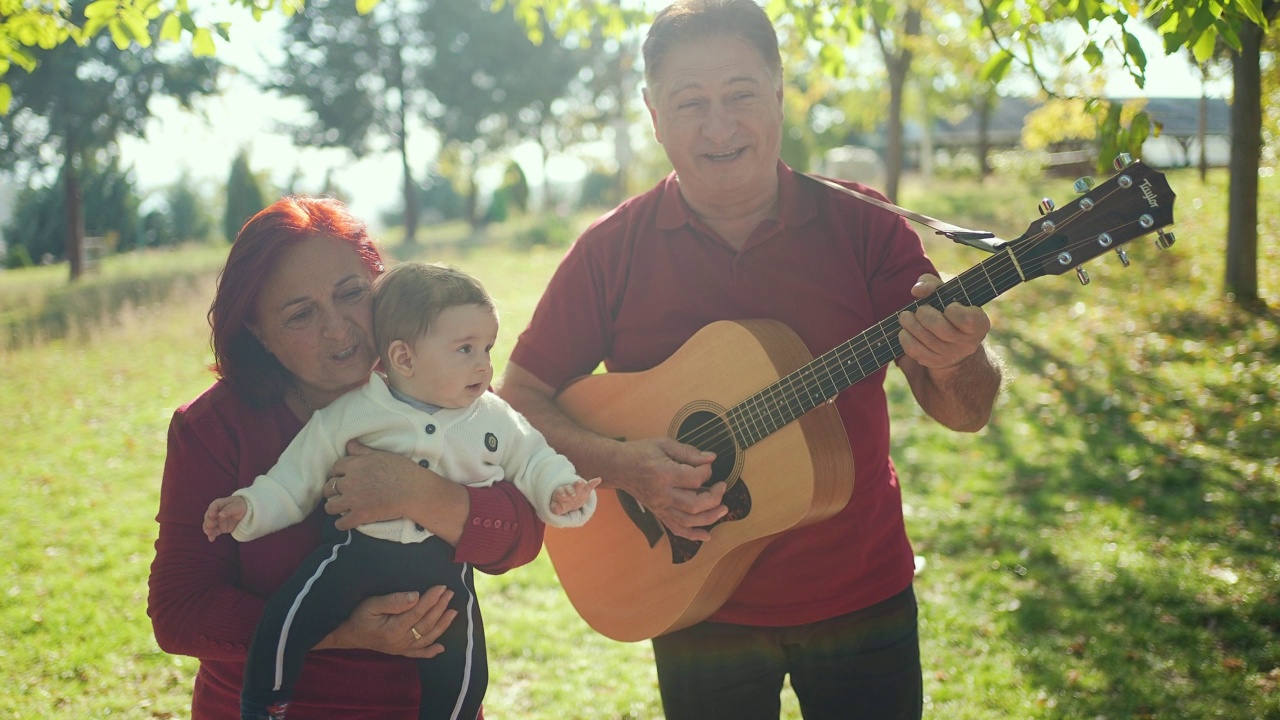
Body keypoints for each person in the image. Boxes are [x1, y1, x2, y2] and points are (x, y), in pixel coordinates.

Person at [496, 1, 1002, 718]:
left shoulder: (867, 228)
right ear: (652, 112)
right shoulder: (611, 251)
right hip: (692, 598)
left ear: (779, 90)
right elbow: (516, 398)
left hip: (861, 594)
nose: (719, 126)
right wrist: (626, 465)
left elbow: (965, 412)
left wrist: (959, 358)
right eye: (690, 102)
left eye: (739, 94)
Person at [149, 196, 548, 720]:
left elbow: (520, 539)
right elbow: (179, 611)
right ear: (258, 333)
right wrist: (339, 630)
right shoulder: (212, 429)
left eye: (352, 293)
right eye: (300, 314)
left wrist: (421, 494)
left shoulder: (449, 387)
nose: (337, 328)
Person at [203, 261, 599, 720]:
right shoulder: (353, 413)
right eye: (465, 349)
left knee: (464, 666)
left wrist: (561, 489)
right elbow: (295, 478)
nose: (484, 364)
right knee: (289, 616)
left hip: (443, 569)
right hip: (357, 556)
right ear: (405, 358)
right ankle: (264, 702)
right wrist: (248, 509)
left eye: (488, 347)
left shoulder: (493, 417)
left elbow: (534, 459)